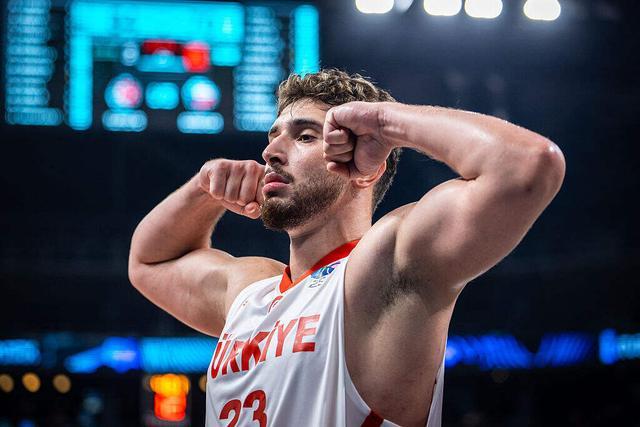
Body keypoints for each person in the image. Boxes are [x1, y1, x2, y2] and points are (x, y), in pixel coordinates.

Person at [128, 69, 565, 426]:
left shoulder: (384, 265)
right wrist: (203, 189)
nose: (271, 152)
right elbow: (148, 261)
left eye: (304, 136)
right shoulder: (250, 290)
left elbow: (529, 165)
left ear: (366, 168)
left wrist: (385, 122)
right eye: (273, 136)